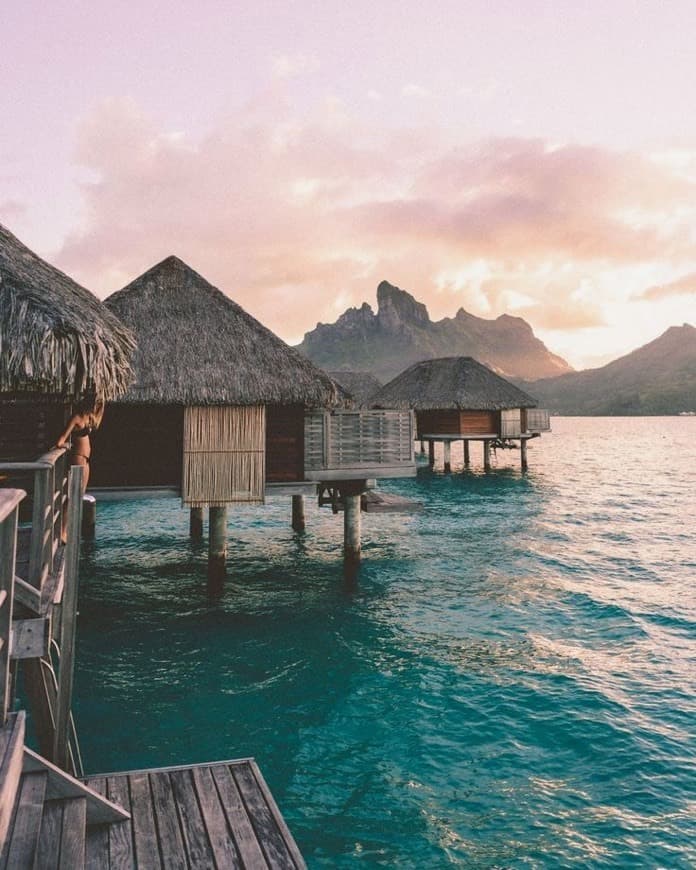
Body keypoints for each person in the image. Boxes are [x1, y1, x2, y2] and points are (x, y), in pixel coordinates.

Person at [55, 398, 105, 541]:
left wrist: (100, 404)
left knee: (79, 495)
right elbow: (61, 439)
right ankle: (62, 531)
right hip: (78, 458)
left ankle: (66, 528)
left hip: (85, 460)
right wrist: (64, 445)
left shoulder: (90, 418)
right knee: (71, 496)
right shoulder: (76, 418)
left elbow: (100, 412)